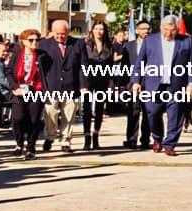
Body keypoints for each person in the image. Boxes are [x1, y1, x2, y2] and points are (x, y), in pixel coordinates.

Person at [129, 15, 192, 156]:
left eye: (172, 30)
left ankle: (170, 144)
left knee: (176, 115)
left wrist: (191, 83)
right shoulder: (150, 40)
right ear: (160, 28)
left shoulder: (186, 41)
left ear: (177, 29)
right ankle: (157, 138)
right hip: (154, 85)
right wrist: (136, 81)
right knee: (152, 113)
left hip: (176, 86)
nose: (168, 33)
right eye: (165, 29)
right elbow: (140, 63)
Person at [38, 20, 87, 153]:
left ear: (68, 32)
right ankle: (50, 136)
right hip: (51, 85)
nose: (60, 36)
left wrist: (84, 85)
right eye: (57, 34)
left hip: (71, 85)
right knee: (50, 113)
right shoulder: (43, 44)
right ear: (52, 32)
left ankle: (66, 140)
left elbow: (83, 66)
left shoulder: (78, 43)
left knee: (69, 114)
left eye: (63, 34)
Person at [6, 29, 50, 160]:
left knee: (34, 120)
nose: (34, 43)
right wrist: (14, 87)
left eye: (37, 40)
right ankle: (19, 143)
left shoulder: (42, 56)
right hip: (19, 90)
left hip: (36, 90)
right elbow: (8, 72)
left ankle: (31, 147)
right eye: (31, 40)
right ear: (23, 41)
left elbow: (47, 72)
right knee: (18, 118)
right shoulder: (16, 55)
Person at [80, 21, 113, 150]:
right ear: (92, 30)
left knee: (99, 109)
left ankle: (96, 137)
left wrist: (111, 81)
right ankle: (87, 138)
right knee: (87, 109)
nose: (99, 31)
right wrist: (82, 83)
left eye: (102, 29)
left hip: (102, 79)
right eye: (97, 28)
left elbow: (110, 65)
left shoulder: (109, 45)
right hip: (88, 79)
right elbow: (81, 64)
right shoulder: (85, 44)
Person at [121, 20, 151, 149]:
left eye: (148, 29)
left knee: (148, 113)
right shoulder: (128, 46)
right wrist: (122, 86)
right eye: (143, 29)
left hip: (150, 84)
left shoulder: (155, 45)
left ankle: (145, 139)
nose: (146, 31)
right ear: (137, 30)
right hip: (133, 84)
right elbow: (124, 67)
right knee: (133, 112)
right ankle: (131, 139)